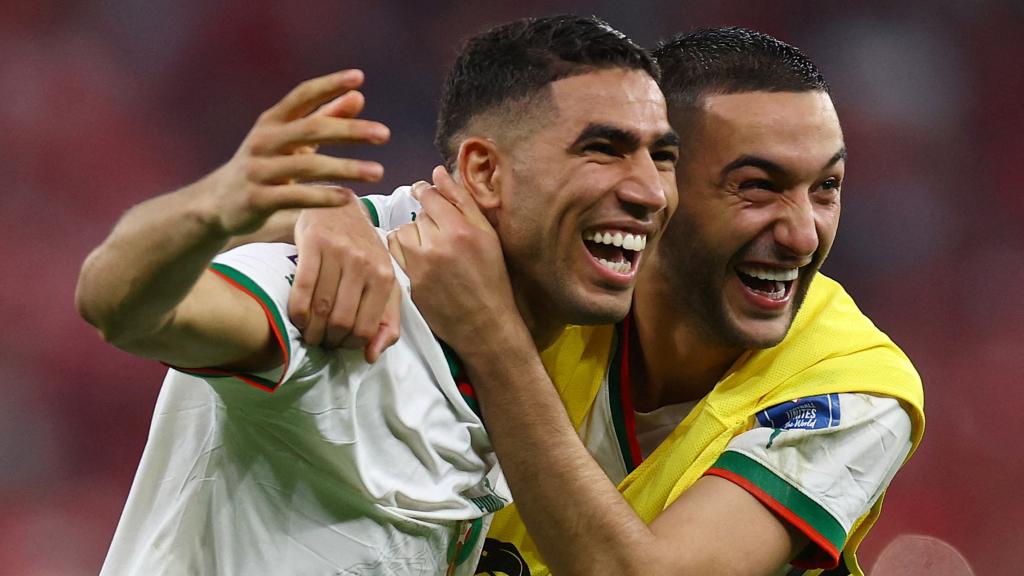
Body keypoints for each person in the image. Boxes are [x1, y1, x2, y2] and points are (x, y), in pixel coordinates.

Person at [74, 15, 679, 575]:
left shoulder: (549, 310)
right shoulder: (343, 290)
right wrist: (217, 207)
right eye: (603, 150)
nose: (650, 191)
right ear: (486, 173)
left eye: (663, 156)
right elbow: (119, 306)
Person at [321, 27, 923, 576]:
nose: (803, 234)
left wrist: (494, 342)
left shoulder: (854, 385)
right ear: (660, 182)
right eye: (757, 187)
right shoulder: (548, 257)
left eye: (826, 188)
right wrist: (324, 218)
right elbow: (282, 229)